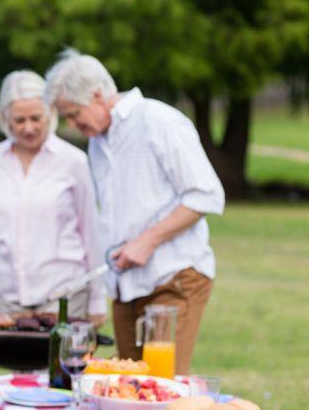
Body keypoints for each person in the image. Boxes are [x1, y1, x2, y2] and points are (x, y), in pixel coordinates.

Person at [44, 49, 225, 375]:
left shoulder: (158, 121)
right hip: (126, 286)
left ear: (97, 95)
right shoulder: (99, 142)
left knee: (160, 389)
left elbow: (206, 194)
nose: (72, 125)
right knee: (127, 391)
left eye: (74, 114)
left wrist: (148, 241)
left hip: (174, 278)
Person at [0, 70, 106, 325]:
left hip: (65, 296)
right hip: (7, 299)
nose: (29, 128)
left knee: (62, 365)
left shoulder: (74, 161)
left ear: (50, 115)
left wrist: (98, 300)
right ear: (5, 119)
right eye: (19, 120)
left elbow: (91, 232)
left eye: (36, 118)